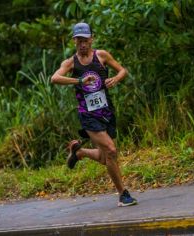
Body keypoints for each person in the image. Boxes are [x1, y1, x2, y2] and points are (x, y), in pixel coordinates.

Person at [51, 22, 137, 207]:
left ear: (92, 39)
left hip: (106, 111)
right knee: (112, 151)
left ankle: (80, 152)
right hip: (87, 115)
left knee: (105, 157)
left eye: (86, 40)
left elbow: (123, 70)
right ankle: (123, 194)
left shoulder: (101, 55)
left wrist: (116, 78)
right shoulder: (71, 63)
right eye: (79, 41)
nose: (83, 44)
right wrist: (79, 80)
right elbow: (55, 78)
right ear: (74, 41)